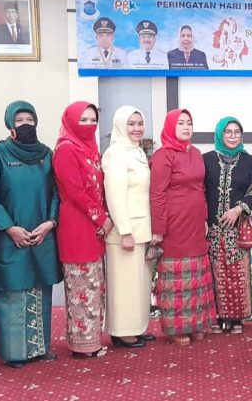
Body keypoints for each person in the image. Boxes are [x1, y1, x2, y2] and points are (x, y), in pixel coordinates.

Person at [0, 101, 61, 369]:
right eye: (19, 120)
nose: (25, 124)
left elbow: (56, 191)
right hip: (9, 236)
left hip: (41, 233)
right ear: (10, 125)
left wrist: (50, 222)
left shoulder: (46, 154)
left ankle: (40, 347)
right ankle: (14, 352)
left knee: (40, 287)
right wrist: (9, 226)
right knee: (12, 289)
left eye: (29, 119)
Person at [150, 109, 215, 344]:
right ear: (170, 126)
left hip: (195, 221)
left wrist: (205, 219)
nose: (186, 127)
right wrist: (158, 228)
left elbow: (201, 189)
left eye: (189, 123)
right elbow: (156, 194)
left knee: (196, 273)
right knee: (177, 277)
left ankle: (196, 323)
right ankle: (178, 328)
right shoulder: (163, 155)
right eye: (180, 123)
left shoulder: (195, 153)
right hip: (174, 224)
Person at [53, 101, 111, 358]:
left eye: (93, 119)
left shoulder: (90, 147)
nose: (89, 124)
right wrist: (101, 218)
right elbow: (75, 192)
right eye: (83, 119)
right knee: (81, 284)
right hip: (77, 224)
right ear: (70, 121)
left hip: (93, 226)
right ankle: (82, 344)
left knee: (94, 284)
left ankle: (92, 340)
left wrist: (101, 218)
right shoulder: (66, 150)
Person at [203, 116, 252, 334]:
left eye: (237, 132)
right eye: (228, 132)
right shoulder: (206, 160)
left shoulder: (248, 161)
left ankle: (237, 318)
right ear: (220, 134)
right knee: (216, 273)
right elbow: (198, 190)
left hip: (237, 229)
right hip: (212, 229)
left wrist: (238, 209)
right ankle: (218, 317)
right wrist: (201, 219)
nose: (233, 136)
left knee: (237, 273)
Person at [102, 106, 155, 348]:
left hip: (141, 228)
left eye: (139, 123)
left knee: (139, 284)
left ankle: (136, 326)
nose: (136, 128)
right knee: (124, 284)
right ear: (121, 125)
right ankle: (122, 331)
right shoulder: (115, 153)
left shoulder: (138, 151)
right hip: (126, 231)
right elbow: (115, 195)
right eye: (131, 124)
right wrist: (124, 231)